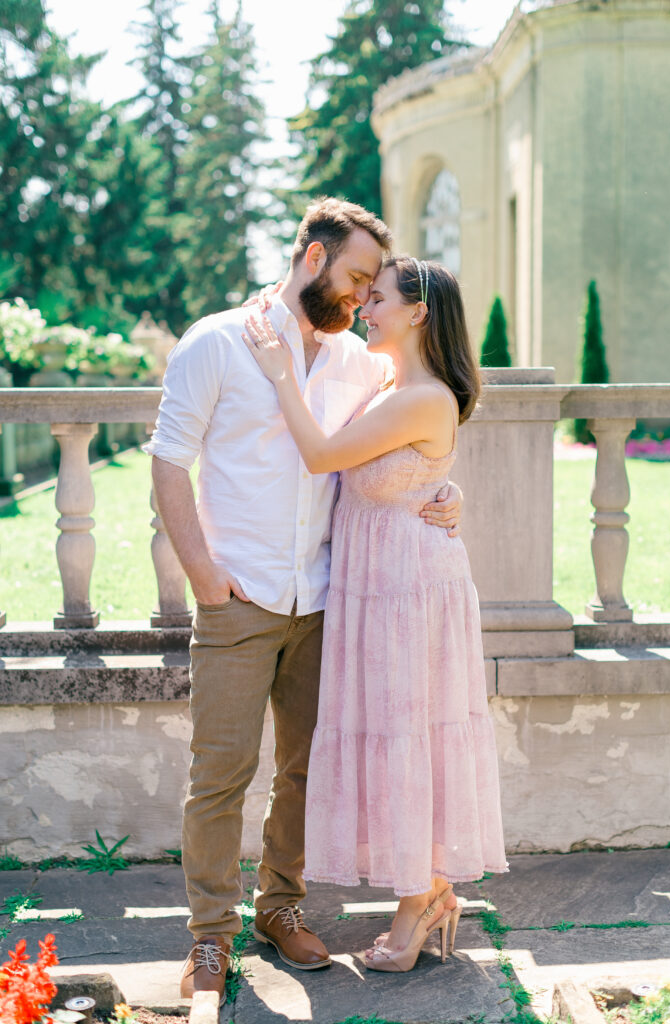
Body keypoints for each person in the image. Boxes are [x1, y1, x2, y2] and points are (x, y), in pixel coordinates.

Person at [144, 199, 463, 1002]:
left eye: (373, 288)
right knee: (218, 774)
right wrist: (202, 575)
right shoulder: (218, 342)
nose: (361, 299)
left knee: (303, 772)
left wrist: (444, 491)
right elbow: (166, 463)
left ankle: (277, 909)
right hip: (239, 595)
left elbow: (401, 442)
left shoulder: (362, 365)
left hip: (327, 600)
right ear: (313, 259)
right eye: (356, 277)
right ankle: (209, 939)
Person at [242, 254, 508, 974]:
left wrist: (279, 376)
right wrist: (446, 489)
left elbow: (325, 454)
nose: (366, 306)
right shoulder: (391, 380)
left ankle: (417, 902)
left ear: (418, 312)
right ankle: (427, 893)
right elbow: (405, 472)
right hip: (377, 583)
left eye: (379, 297)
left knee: (409, 736)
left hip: (408, 589)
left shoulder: (422, 393)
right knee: (395, 733)